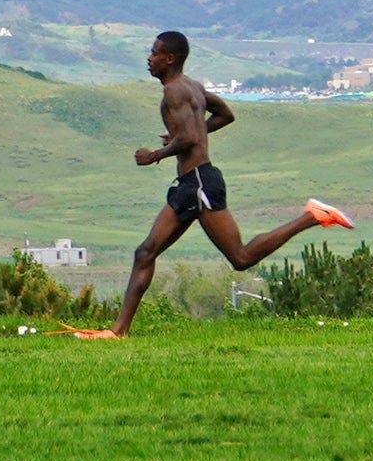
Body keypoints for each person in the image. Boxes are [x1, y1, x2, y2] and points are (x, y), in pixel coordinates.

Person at [90, 31, 354, 338]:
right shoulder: (192, 86)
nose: (149, 58)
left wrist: (156, 154)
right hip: (190, 184)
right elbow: (224, 115)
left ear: (170, 59)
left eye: (154, 52)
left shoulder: (175, 90)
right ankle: (118, 331)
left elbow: (190, 137)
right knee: (145, 252)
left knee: (240, 258)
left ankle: (312, 216)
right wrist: (184, 134)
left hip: (200, 182)